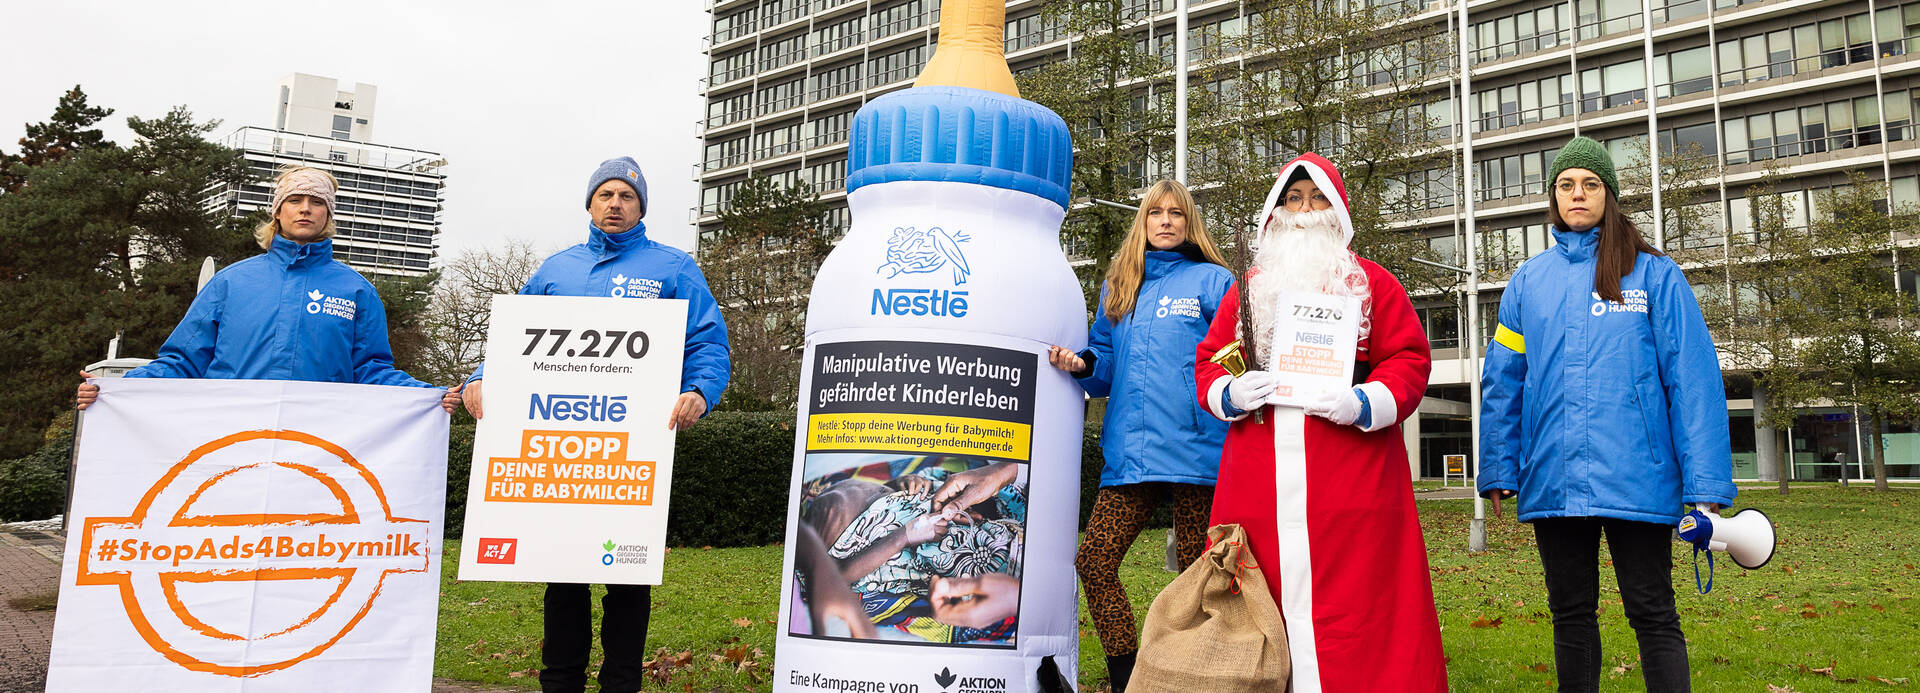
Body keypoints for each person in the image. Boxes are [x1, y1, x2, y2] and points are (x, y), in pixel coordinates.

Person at [461, 157, 731, 693]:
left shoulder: (673, 268)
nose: (615, 203)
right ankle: (559, 683)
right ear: (589, 204)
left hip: (632, 451)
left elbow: (707, 342)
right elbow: (515, 339)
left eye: (626, 196)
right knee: (563, 576)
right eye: (605, 194)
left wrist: (699, 391)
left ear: (641, 207)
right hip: (563, 449)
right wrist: (480, 377)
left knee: (627, 578)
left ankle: (620, 684)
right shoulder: (556, 270)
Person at [1477, 136, 1735, 693]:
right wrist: (1498, 466)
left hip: (1637, 476)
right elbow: (1504, 380)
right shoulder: (1527, 282)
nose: (1578, 194)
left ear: (1609, 196)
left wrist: (1706, 482)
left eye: (1590, 184)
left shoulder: (1655, 276)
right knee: (1570, 615)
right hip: (1554, 475)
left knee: (1653, 612)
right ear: (1553, 197)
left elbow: (1691, 381)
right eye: (1566, 184)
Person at [1194, 153, 1447, 692]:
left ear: (1337, 212)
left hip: (1351, 477)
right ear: (1276, 212)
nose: (1304, 212)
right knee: (1258, 598)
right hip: (1259, 477)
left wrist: (1363, 401)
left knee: (1361, 603)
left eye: (1317, 200)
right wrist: (1230, 392)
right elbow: (1211, 359)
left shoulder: (1373, 284)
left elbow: (1408, 360)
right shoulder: (1249, 289)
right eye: (1293, 200)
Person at [1044, 179, 1232, 692]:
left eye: (1176, 213)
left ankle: (1195, 677)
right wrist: (1081, 363)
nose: (1166, 221)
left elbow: (1235, 359)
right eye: (1155, 213)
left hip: (1200, 451)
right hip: (1131, 452)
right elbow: (1103, 365)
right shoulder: (1119, 284)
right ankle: (1130, 678)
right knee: (1094, 561)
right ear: (1143, 222)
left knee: (1200, 579)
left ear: (1189, 223)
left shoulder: (1215, 282)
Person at [75, 167, 457, 412]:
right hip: (226, 431)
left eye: (316, 202)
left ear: (328, 214)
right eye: (295, 200)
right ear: (278, 210)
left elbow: (372, 370)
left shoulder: (357, 291)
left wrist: (431, 394)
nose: (305, 208)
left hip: (320, 435)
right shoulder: (230, 283)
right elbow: (183, 361)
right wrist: (117, 389)